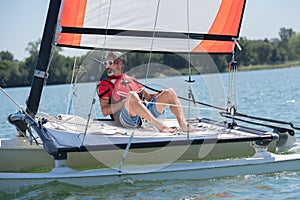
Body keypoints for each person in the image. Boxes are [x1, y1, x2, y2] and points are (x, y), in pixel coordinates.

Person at [97, 51, 193, 133]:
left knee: (169, 92)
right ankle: (160, 126)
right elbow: (105, 111)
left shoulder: (132, 80)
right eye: (105, 63)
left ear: (120, 64)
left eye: (110, 63)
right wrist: (124, 102)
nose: (107, 67)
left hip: (143, 118)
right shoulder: (104, 85)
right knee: (132, 96)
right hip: (125, 120)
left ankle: (183, 125)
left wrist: (162, 95)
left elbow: (149, 98)